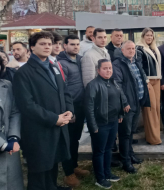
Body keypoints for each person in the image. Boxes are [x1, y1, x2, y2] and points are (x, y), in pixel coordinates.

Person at [13, 31, 74, 190]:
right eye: (42, 44)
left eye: (49, 43)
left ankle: (52, 186)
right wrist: (54, 118)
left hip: (58, 125)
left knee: (53, 160)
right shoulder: (24, 73)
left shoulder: (54, 67)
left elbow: (65, 92)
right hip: (38, 128)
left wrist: (70, 111)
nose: (47, 46)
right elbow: (27, 105)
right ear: (32, 47)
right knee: (40, 166)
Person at [86, 59, 128, 188]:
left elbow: (118, 100)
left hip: (113, 121)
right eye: (105, 68)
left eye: (110, 68)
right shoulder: (93, 85)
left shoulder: (113, 82)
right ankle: (100, 178)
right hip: (100, 124)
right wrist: (93, 126)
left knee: (109, 149)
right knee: (99, 151)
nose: (108, 70)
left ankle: (108, 173)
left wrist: (120, 114)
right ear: (98, 70)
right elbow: (89, 107)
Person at [113, 41, 150, 174]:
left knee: (131, 132)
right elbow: (117, 85)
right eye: (128, 48)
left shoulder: (135, 61)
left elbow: (141, 78)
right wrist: (124, 102)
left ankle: (130, 155)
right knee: (125, 134)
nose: (131, 50)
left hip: (137, 102)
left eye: (133, 48)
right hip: (127, 105)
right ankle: (125, 161)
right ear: (122, 51)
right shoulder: (118, 64)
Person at [57, 35, 90, 187]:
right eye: (72, 44)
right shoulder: (62, 64)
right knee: (68, 141)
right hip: (70, 108)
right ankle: (68, 174)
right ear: (65, 46)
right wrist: (69, 111)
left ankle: (74, 166)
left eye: (77, 44)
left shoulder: (80, 59)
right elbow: (62, 90)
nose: (76, 47)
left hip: (81, 104)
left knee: (75, 139)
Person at [0, 51, 23, 190]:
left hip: (9, 144)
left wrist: (13, 137)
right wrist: (1, 145)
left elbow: (15, 112)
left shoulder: (6, 85)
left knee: (12, 182)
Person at [136, 28, 163, 145]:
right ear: (143, 36)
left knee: (156, 108)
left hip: (157, 80)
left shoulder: (154, 48)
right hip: (148, 81)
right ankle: (153, 138)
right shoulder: (139, 49)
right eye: (147, 35)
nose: (149, 37)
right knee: (150, 109)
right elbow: (139, 66)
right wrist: (145, 81)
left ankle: (156, 134)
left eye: (151, 36)